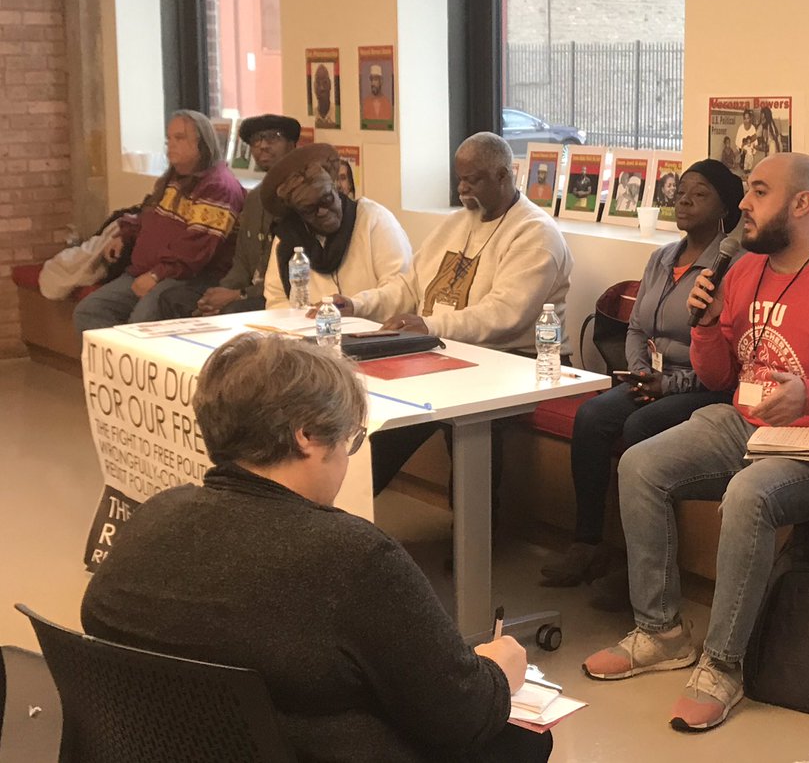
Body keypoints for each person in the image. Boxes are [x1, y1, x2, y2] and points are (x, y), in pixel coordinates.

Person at [81, 333, 551, 763]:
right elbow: (460, 716)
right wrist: (498, 672)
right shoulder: (354, 556)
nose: (347, 457)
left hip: (155, 746)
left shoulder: (155, 515)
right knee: (523, 739)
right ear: (306, 434)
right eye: (349, 440)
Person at [582, 153, 809, 732]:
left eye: (758, 191)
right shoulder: (745, 270)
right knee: (640, 465)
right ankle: (661, 632)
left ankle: (723, 665)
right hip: (751, 423)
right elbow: (715, 377)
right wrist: (707, 323)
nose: (744, 204)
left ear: (801, 203)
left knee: (750, 494)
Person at [540, 159, 747, 589]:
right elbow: (635, 327)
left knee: (641, 425)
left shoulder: (733, 267)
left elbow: (728, 361)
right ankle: (588, 543)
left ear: (726, 207)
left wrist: (669, 384)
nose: (684, 200)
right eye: (681, 192)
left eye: (700, 194)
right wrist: (638, 371)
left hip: (704, 386)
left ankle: (638, 561)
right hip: (651, 378)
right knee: (592, 416)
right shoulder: (661, 258)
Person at [371, 132, 573, 495]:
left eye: (472, 180)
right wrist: (355, 305)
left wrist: (428, 325)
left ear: (503, 175)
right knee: (384, 410)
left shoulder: (535, 233)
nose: (462, 189)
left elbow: (505, 315)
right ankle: (347, 508)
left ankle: (475, 524)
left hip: (517, 360)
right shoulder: (454, 224)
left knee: (464, 412)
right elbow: (410, 286)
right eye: (459, 179)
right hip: (450, 349)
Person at [74, 110, 244, 331]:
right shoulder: (175, 178)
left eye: (179, 138)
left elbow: (196, 250)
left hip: (187, 278)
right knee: (89, 311)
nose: (171, 145)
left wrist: (156, 274)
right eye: (168, 139)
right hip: (148, 271)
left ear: (202, 144)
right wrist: (125, 235)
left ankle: (130, 352)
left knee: (141, 324)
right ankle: (118, 353)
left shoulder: (218, 187)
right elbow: (149, 215)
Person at [156, 114, 300, 319]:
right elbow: (241, 263)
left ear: (292, 145)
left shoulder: (302, 197)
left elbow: (295, 275)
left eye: (272, 137)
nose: (262, 146)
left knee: (230, 311)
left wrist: (238, 295)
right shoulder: (254, 199)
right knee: (173, 298)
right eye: (256, 140)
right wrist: (220, 293)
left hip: (281, 295)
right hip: (244, 289)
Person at [261, 143, 413, 320]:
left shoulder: (373, 219)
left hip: (372, 329)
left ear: (336, 188)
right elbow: (276, 300)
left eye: (327, 200)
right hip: (308, 332)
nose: (322, 212)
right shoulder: (290, 237)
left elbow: (402, 292)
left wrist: (355, 305)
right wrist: (306, 322)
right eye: (310, 209)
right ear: (298, 213)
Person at [313, 64, 337, 128]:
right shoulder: (312, 115)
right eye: (318, 83)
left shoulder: (337, 114)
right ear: (314, 87)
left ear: (330, 85)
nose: (322, 88)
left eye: (325, 82)